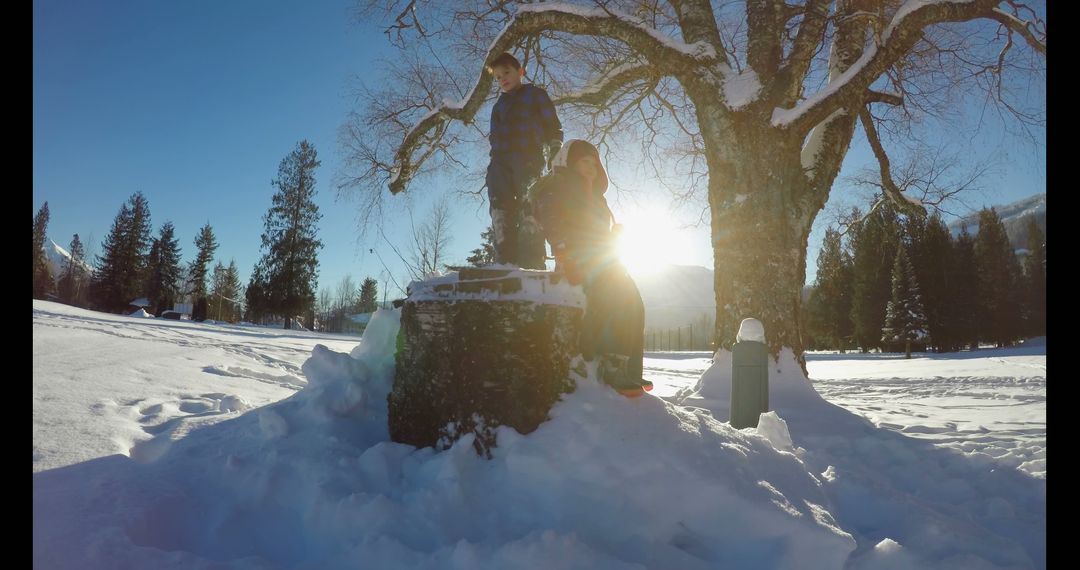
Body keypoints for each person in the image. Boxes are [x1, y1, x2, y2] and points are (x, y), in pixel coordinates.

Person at [533, 139, 652, 396]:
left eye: (594, 163)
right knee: (613, 299)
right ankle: (610, 366)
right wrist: (563, 252)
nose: (591, 167)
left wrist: (615, 235)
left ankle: (629, 368)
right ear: (569, 162)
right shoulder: (559, 186)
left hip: (605, 260)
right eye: (584, 161)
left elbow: (598, 235)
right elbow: (551, 219)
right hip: (577, 259)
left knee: (635, 303)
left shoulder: (597, 198)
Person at [485, 52, 563, 269]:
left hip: (528, 156)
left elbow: (552, 125)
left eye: (507, 73)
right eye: (498, 77)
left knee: (530, 202)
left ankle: (532, 258)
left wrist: (555, 147)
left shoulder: (535, 95)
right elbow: (494, 135)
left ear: (520, 72)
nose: (503, 79)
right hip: (500, 161)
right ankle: (505, 259)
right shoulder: (498, 106)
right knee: (500, 204)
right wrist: (494, 160)